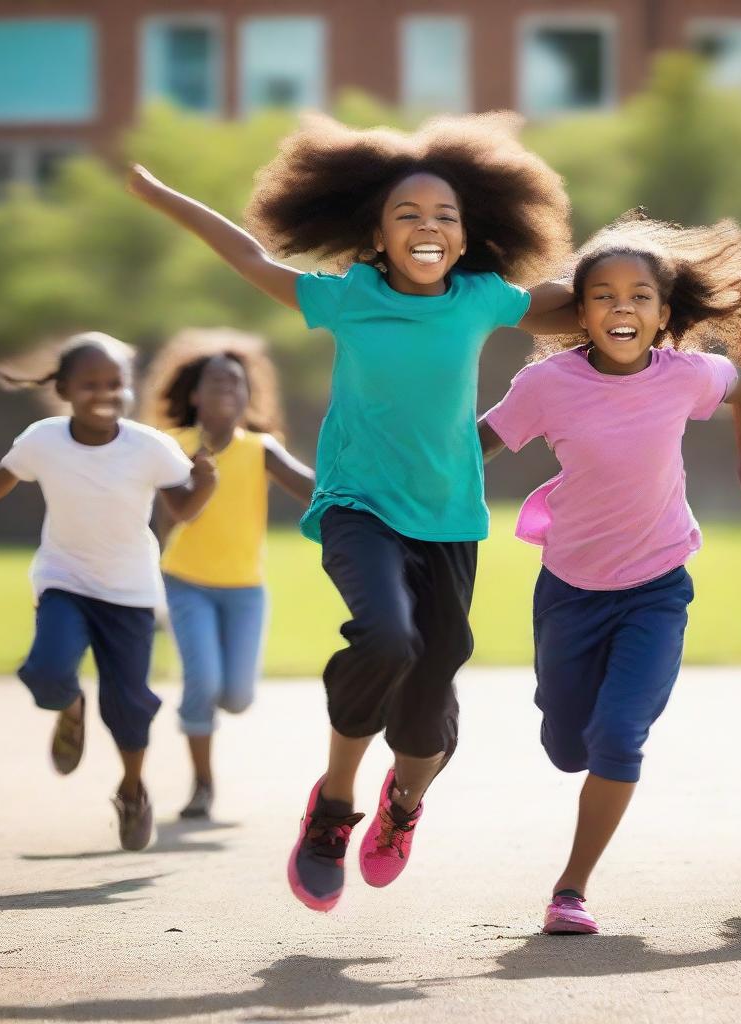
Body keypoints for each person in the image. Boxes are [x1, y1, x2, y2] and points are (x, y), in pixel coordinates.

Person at [128, 111, 577, 910]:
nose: (428, 226)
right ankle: (334, 809)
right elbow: (246, 254)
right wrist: (163, 196)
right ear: (375, 236)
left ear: (469, 237)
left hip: (447, 520)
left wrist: (670, 287)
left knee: (433, 684)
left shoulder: (481, 299)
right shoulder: (348, 299)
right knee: (386, 637)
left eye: (444, 215)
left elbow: (592, 301)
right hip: (357, 506)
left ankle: (403, 806)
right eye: (407, 215)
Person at [480, 212, 741, 934]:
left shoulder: (689, 377)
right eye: (604, 296)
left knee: (619, 736)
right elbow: (480, 446)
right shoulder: (546, 384)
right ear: (579, 311)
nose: (622, 308)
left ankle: (570, 890)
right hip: (568, 589)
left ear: (663, 313)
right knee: (568, 745)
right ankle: (570, 740)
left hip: (656, 590)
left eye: (640, 296)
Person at [0, 333, 216, 850]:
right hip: (64, 580)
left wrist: (205, 481)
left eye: (115, 383)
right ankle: (70, 704)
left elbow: (183, 509)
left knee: (130, 705)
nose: (105, 392)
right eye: (91, 383)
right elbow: (3, 478)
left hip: (131, 593)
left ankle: (132, 790)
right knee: (47, 673)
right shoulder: (43, 440)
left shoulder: (148, 446)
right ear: (65, 389)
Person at [141, 328, 314, 819]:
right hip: (185, 581)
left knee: (235, 697)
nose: (228, 392)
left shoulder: (261, 448)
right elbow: (175, 515)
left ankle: (207, 713)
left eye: (236, 384)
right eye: (216, 384)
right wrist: (199, 478)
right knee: (203, 682)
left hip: (245, 589)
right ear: (195, 395)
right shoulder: (172, 446)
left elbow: (313, 490)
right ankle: (202, 785)